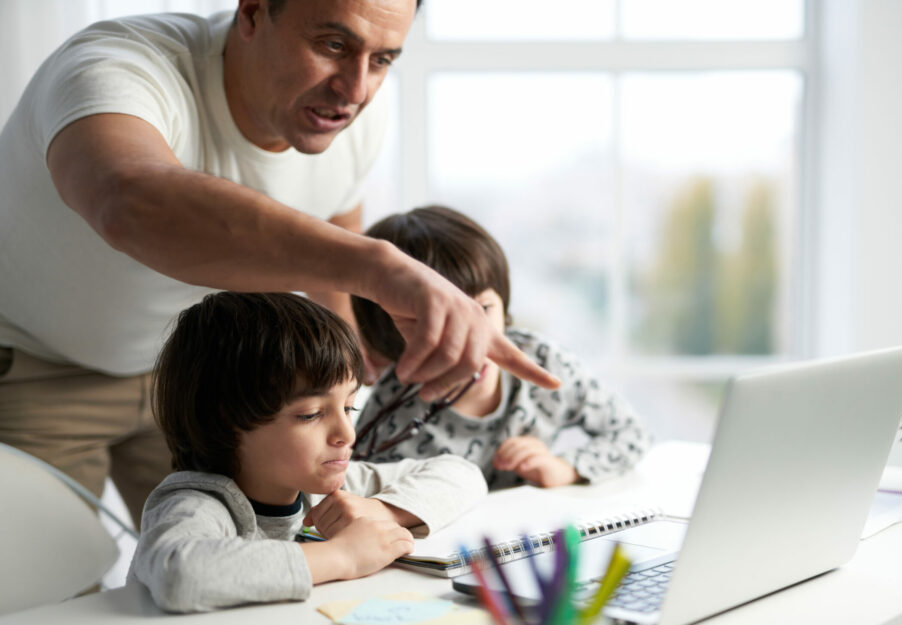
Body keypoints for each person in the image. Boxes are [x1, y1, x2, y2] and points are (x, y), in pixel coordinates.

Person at [0, 0, 557, 528]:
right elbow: (129, 200)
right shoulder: (119, 67)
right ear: (252, 11)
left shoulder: (350, 112)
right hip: (38, 367)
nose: (356, 88)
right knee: (47, 594)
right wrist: (382, 267)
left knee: (244, 572)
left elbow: (336, 228)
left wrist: (357, 368)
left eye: (383, 59)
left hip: (204, 376)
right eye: (333, 43)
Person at [128, 291, 488, 612]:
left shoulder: (328, 489)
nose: (346, 433)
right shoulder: (197, 505)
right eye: (311, 414)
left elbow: (462, 474)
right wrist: (342, 555)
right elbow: (180, 574)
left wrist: (382, 509)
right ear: (228, 422)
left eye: (349, 407)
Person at [351, 206, 651, 489]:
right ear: (392, 335)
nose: (472, 335)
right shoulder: (389, 416)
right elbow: (356, 492)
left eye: (483, 307)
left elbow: (632, 434)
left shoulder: (544, 363)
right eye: (439, 322)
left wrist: (563, 467)